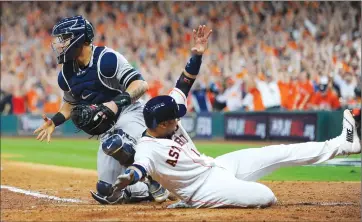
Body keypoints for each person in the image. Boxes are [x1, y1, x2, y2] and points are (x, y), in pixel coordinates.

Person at [107, 28, 361, 208]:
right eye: (174, 118)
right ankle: (195, 203)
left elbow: (184, 83)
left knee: (279, 152)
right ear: (161, 125)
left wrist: (197, 54)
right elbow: (140, 167)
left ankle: (343, 145)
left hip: (217, 165)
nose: (179, 118)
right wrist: (129, 177)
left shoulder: (164, 118)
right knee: (266, 197)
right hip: (202, 190)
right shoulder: (147, 149)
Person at [33, 15, 168, 204]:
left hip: (131, 113)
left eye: (64, 38)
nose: (60, 44)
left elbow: (140, 85)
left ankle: (152, 181)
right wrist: (54, 122)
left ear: (79, 38)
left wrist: (115, 104)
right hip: (108, 124)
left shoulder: (107, 59)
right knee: (106, 190)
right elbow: (69, 104)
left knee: (117, 143)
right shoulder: (66, 73)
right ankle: (139, 187)